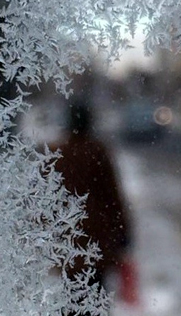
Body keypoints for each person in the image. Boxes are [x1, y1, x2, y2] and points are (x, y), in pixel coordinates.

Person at [50, 102, 131, 290]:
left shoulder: (59, 153)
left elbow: (48, 200)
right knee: (95, 296)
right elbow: (112, 197)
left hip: (68, 241)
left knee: (71, 298)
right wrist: (123, 233)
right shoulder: (96, 151)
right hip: (96, 242)